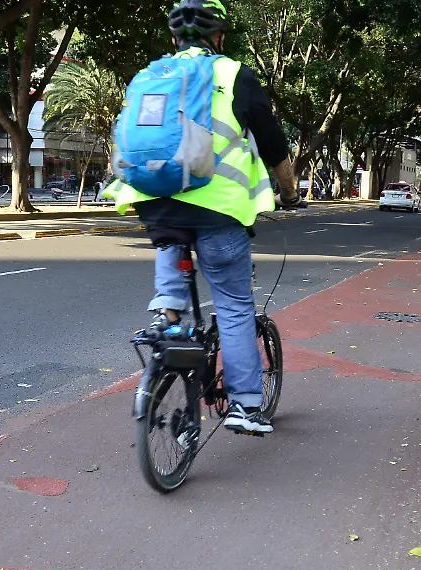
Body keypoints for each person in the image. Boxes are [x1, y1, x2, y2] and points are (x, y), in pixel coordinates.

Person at [104, 0, 303, 435]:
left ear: (174, 39)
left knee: (170, 246)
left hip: (155, 201)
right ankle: (245, 406)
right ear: (219, 37)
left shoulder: (149, 76)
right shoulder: (234, 75)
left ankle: (169, 316)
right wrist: (288, 193)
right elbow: (273, 146)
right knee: (233, 308)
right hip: (219, 212)